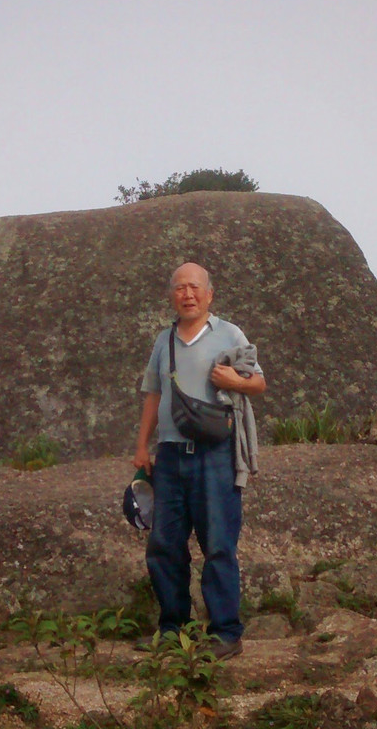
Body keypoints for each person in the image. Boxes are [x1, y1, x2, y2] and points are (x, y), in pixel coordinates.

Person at [133, 262, 266, 661]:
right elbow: (153, 395)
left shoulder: (230, 333)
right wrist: (143, 446)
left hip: (215, 454)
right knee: (164, 545)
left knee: (219, 544)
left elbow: (259, 382)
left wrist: (234, 382)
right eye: (180, 288)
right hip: (170, 455)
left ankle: (226, 631)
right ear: (171, 295)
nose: (187, 294)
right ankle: (174, 629)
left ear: (209, 294)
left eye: (194, 287)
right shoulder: (164, 341)